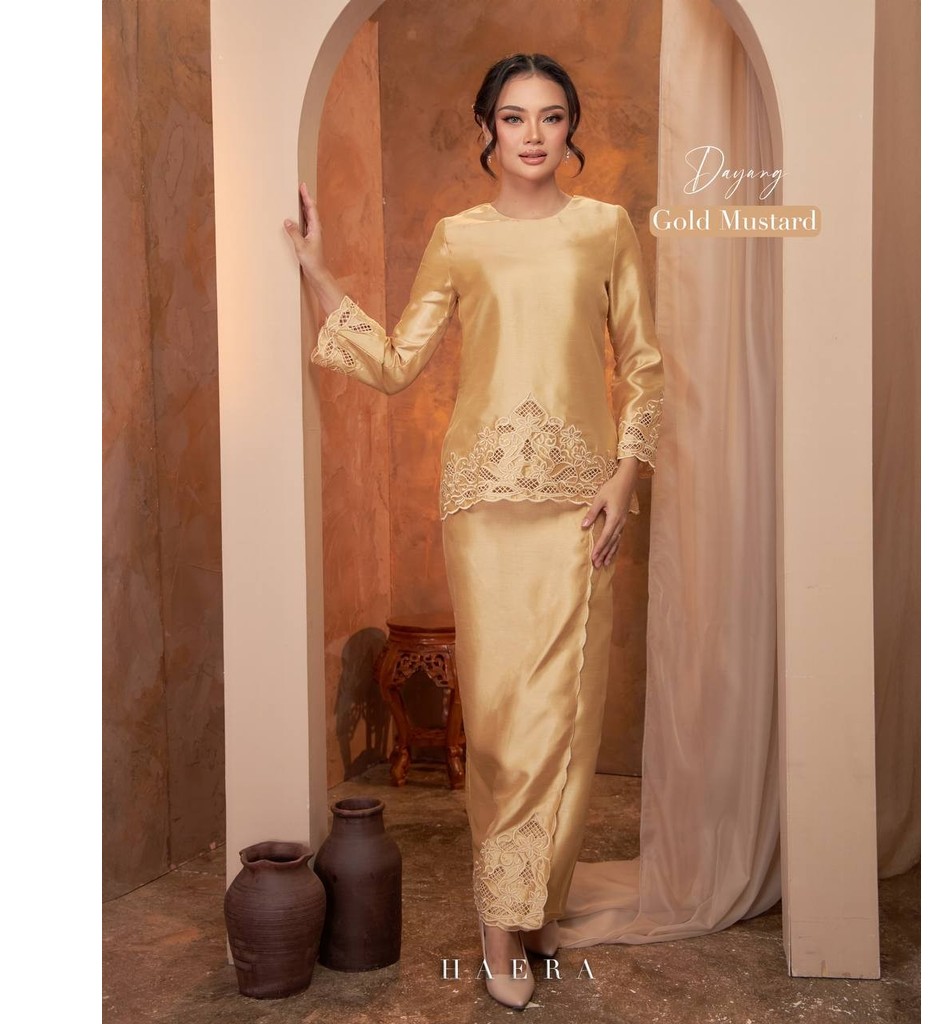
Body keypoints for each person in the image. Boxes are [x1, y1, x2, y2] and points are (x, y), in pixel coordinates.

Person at [284, 52, 664, 1011]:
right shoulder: (458, 237)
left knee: (565, 720)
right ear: (487, 129)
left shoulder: (606, 228)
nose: (533, 134)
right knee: (498, 724)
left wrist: (626, 479)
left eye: (550, 116)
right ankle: (500, 923)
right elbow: (396, 362)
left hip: (583, 504)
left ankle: (535, 901)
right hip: (485, 509)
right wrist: (318, 273)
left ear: (571, 129)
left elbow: (645, 366)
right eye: (513, 116)